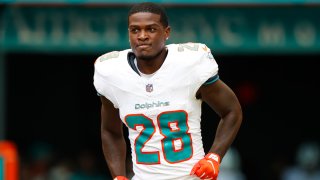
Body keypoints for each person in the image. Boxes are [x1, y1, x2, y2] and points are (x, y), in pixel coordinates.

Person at [93, 2, 242, 180]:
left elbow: (232, 111)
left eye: (151, 29)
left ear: (166, 33)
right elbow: (110, 131)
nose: (142, 36)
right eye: (135, 30)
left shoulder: (190, 64)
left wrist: (214, 156)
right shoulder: (111, 72)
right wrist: (118, 176)